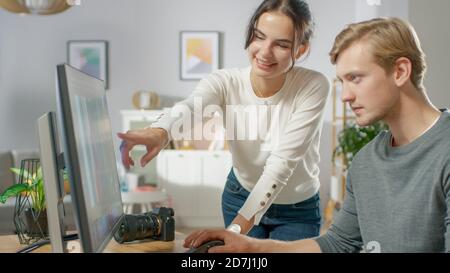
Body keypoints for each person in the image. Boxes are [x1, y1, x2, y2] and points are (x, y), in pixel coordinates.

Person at [183, 17, 450, 253]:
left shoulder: (444, 152)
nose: (345, 95)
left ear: (400, 71)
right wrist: (251, 246)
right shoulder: (366, 161)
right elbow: (339, 243)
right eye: (342, 82)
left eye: (355, 78)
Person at [118, 0, 329, 241]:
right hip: (239, 194)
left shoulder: (313, 86)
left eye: (281, 44)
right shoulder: (225, 81)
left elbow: (282, 164)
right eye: (259, 37)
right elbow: (191, 108)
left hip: (297, 210)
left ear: (300, 50)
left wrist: (234, 231)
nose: (264, 51)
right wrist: (160, 131)